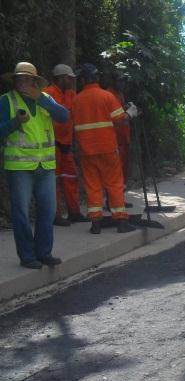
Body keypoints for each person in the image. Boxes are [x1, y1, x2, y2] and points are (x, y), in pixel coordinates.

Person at [0, 62, 68, 269]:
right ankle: (28, 256)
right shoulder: (6, 101)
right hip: (19, 167)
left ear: (35, 81)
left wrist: (40, 98)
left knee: (48, 211)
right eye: (19, 78)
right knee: (21, 213)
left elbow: (64, 116)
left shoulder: (45, 98)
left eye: (27, 79)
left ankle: (44, 253)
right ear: (15, 81)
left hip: (45, 166)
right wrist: (15, 122)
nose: (23, 82)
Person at [72, 63, 135, 234]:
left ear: (83, 80)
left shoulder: (76, 100)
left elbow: (72, 125)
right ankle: (121, 221)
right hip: (107, 149)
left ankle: (96, 224)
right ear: (97, 78)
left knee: (93, 186)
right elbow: (120, 119)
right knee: (114, 184)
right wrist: (131, 113)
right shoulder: (106, 96)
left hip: (87, 151)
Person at [43, 64, 88, 225]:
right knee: (53, 181)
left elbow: (75, 116)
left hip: (66, 144)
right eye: (69, 78)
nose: (71, 81)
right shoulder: (47, 94)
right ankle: (55, 215)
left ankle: (74, 212)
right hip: (53, 145)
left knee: (70, 178)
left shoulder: (71, 94)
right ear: (61, 78)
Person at [104, 70, 132, 191]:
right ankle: (113, 198)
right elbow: (113, 116)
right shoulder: (108, 94)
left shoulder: (120, 94)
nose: (122, 84)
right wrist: (127, 113)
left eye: (123, 81)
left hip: (123, 136)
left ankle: (120, 195)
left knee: (122, 168)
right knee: (115, 170)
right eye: (120, 81)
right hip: (114, 138)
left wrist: (126, 107)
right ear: (113, 81)